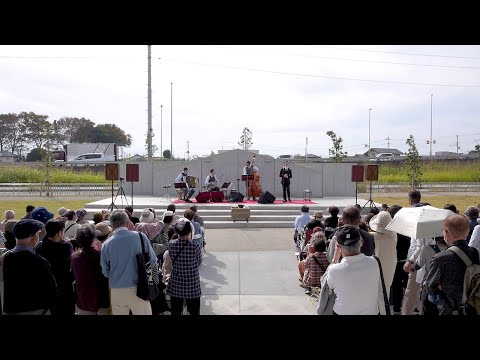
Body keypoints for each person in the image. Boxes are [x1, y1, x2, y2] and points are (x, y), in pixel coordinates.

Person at [100, 210, 157, 315]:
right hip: (139, 287)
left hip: (117, 289)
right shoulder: (140, 237)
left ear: (111, 225)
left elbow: (105, 271)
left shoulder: (107, 244)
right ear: (127, 222)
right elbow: (153, 260)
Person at [425, 214, 480, 315]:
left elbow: (430, 287)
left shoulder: (440, 258)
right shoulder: (477, 253)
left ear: (446, 232)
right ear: (468, 232)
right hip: (474, 306)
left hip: (450, 308)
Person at [325, 225, 385, 315]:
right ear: (361, 242)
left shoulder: (334, 269)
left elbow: (327, 286)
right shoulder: (374, 262)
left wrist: (335, 258)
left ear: (339, 247)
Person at [3, 219, 57, 315]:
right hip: (36, 310)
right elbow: (52, 290)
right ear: (33, 237)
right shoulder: (38, 261)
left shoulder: (5, 258)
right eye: (37, 234)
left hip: (11, 310)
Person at [35, 219, 75, 315]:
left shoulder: (40, 246)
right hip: (63, 286)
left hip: (46, 286)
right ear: (59, 233)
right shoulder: (66, 247)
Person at [165, 218, 202, 316]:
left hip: (176, 283)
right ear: (190, 230)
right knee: (194, 311)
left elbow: (172, 258)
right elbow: (199, 262)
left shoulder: (171, 244)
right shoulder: (195, 246)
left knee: (176, 311)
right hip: (192, 284)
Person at [71, 225, 110, 315]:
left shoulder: (75, 257)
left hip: (84, 301)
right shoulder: (101, 255)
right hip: (102, 300)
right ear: (93, 240)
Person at [388, 205, 411, 315]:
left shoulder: (390, 229)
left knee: (397, 285)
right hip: (405, 260)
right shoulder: (407, 227)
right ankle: (405, 307)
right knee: (406, 285)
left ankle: (397, 308)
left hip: (396, 261)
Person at [369, 211, 397, 297]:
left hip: (376, 264)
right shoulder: (393, 234)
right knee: (386, 289)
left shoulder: (372, 236)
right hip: (390, 262)